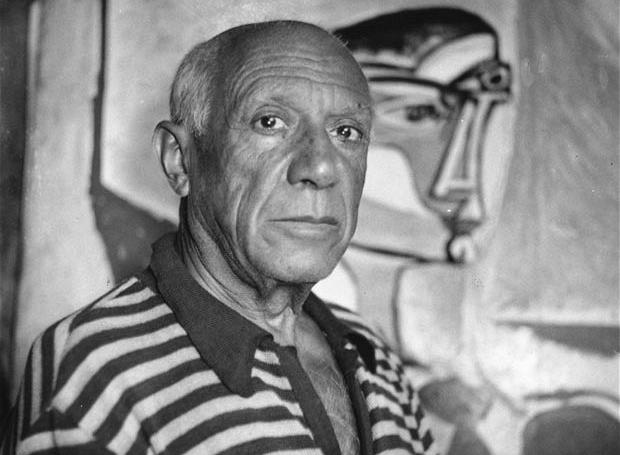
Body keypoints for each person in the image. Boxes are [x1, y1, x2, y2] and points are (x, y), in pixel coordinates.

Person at [1, 21, 435, 455]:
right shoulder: (95, 366)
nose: (320, 168)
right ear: (180, 161)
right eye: (270, 122)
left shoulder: (369, 351)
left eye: (346, 132)